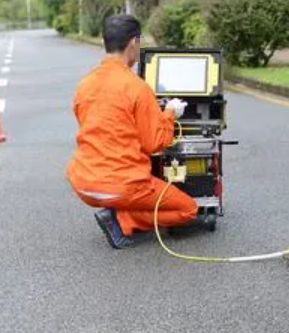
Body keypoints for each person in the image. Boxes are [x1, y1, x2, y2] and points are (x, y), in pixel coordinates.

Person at [66, 14, 197, 249]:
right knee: (188, 210)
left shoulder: (84, 84)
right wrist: (169, 114)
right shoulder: (136, 87)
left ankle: (119, 211)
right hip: (122, 185)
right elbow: (154, 143)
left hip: (83, 183)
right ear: (133, 43)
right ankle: (123, 219)